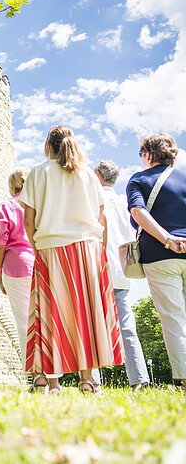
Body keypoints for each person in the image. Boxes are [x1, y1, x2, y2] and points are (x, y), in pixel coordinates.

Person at [19, 125, 124, 394]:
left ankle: (50, 382)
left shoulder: (38, 173)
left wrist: (36, 244)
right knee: (84, 314)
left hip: (51, 246)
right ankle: (87, 380)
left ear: (48, 145)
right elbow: (102, 217)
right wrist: (100, 250)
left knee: (51, 312)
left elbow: (28, 220)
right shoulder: (88, 174)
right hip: (87, 248)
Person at [126, 133, 186, 391]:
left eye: (141, 153)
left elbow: (138, 212)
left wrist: (167, 239)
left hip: (160, 256)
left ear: (149, 154)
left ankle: (184, 377)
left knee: (173, 317)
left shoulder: (139, 179)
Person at [92, 160, 149, 391]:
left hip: (98, 267)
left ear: (97, 175)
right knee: (127, 326)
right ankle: (139, 379)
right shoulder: (125, 203)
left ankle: (92, 381)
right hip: (122, 269)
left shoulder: (94, 201)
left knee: (92, 324)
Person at [0, 168, 35, 362]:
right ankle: (51, 374)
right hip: (39, 266)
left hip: (15, 268)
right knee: (42, 320)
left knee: (24, 323)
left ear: (11, 187)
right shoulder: (37, 206)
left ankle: (35, 374)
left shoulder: (6, 206)